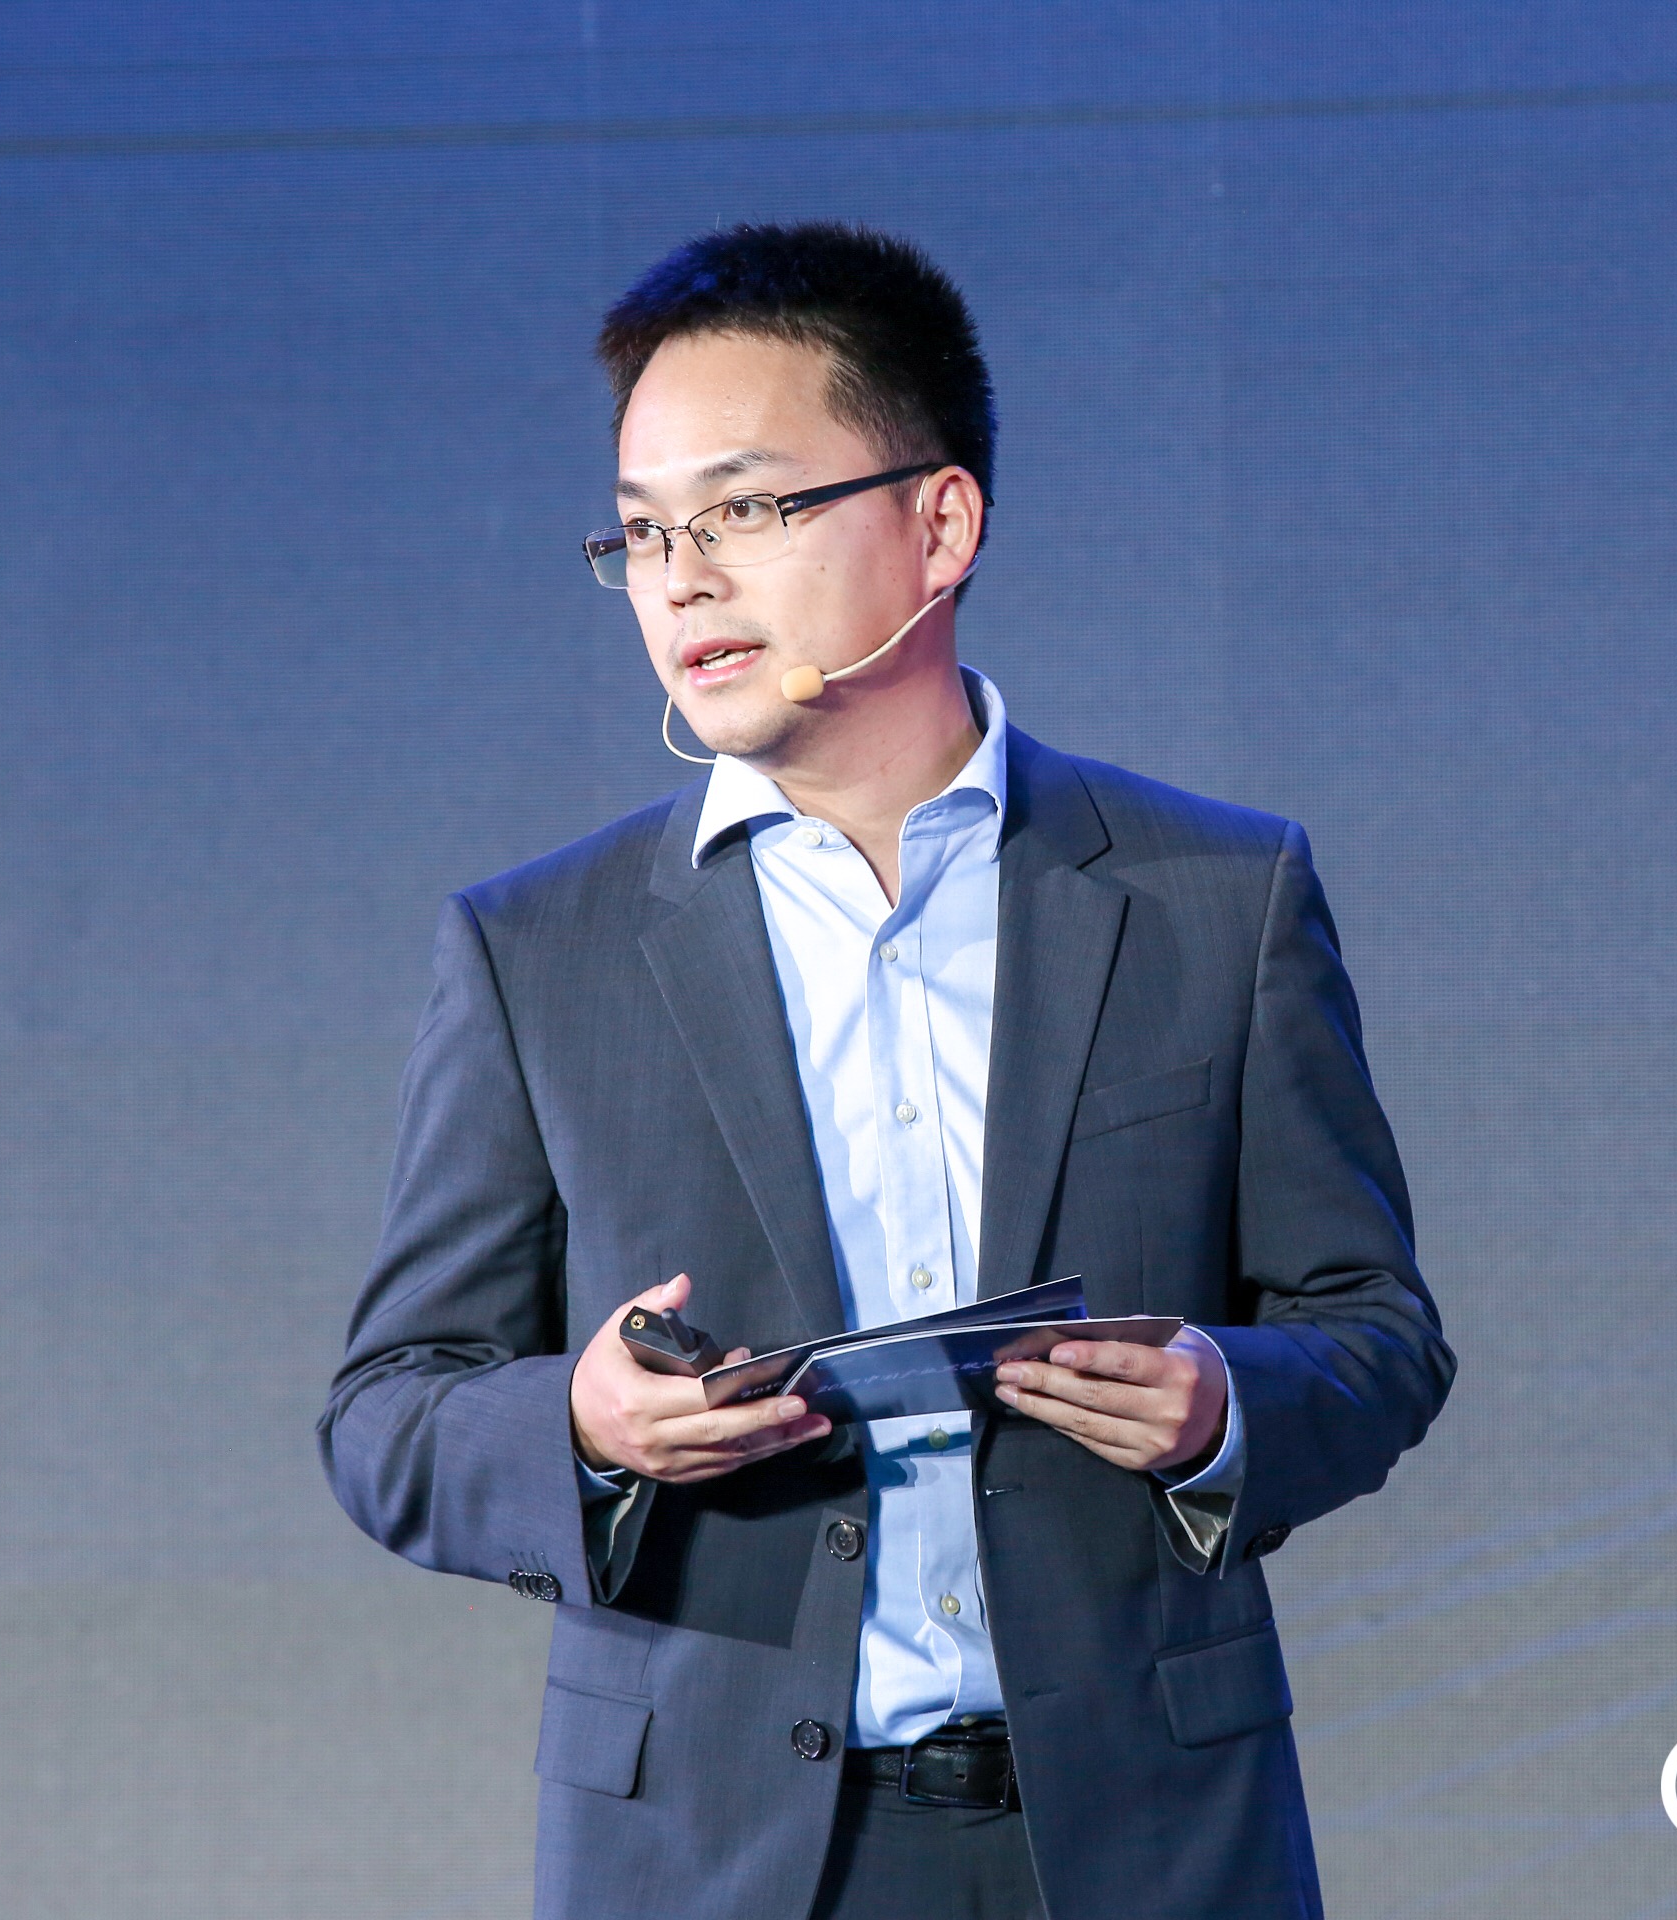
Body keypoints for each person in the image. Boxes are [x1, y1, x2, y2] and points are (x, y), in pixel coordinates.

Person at [319, 220, 1453, 1920]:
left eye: (744, 510)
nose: (683, 578)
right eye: (643, 532)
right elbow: (389, 1413)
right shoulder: (537, 946)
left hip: (1140, 1840)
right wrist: (586, 1425)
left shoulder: (1216, 896)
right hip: (715, 1856)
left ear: (940, 525)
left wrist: (1225, 1406)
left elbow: (1375, 1332)